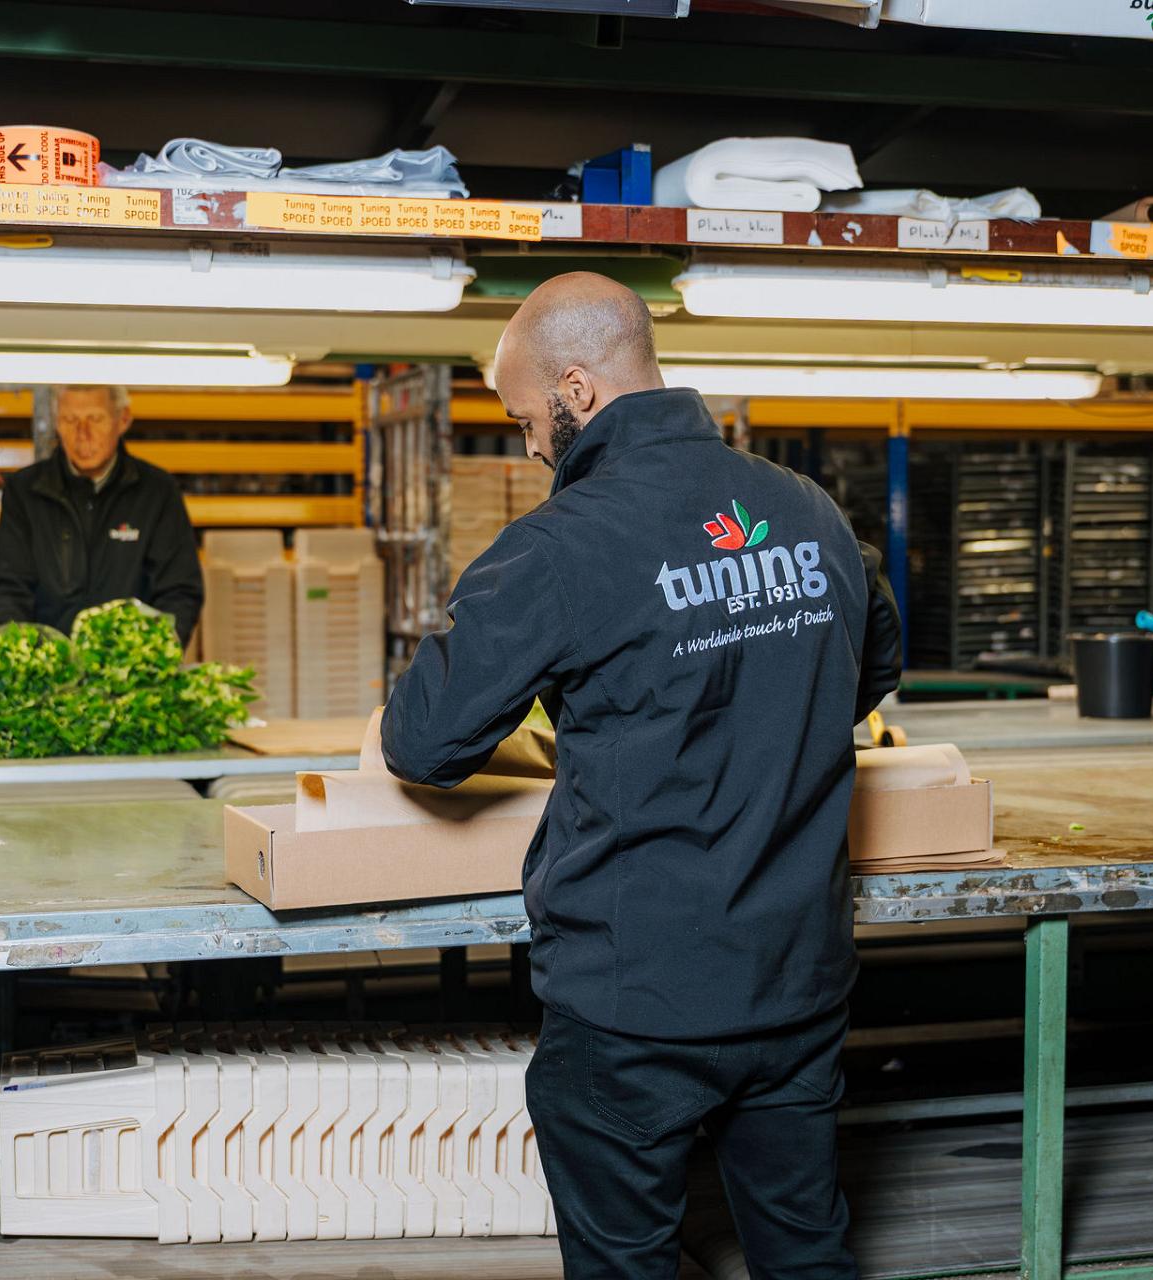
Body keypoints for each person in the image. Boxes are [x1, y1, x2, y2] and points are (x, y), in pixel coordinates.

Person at [380, 273, 901, 1279]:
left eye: (526, 416)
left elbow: (425, 742)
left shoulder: (558, 548)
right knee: (805, 1250)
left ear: (575, 388)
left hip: (635, 1000)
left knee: (628, 1261)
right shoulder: (809, 511)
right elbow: (866, 670)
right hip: (796, 979)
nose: (530, 443)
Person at [0, 384, 203, 644]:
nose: (83, 434)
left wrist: (148, 659)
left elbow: (178, 592)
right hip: (50, 677)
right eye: (70, 420)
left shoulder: (157, 492)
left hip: (131, 677)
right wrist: (24, 660)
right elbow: (9, 591)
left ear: (123, 420)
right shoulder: (24, 492)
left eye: (95, 418)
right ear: (56, 422)